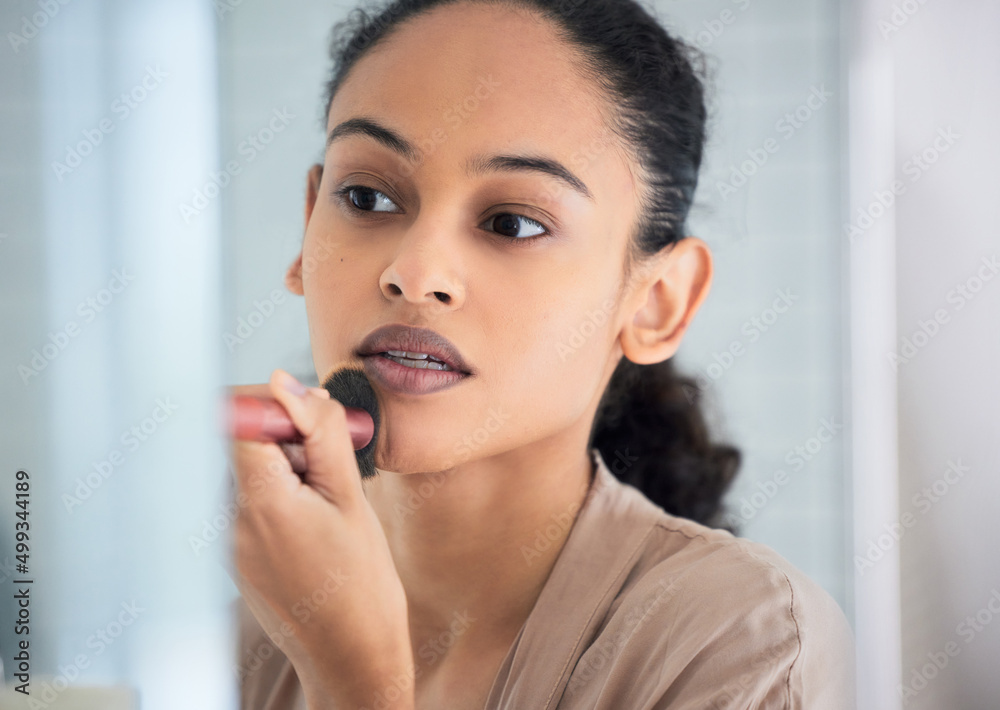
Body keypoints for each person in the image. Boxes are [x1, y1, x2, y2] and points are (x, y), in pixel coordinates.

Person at [228, 0, 857, 708]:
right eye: (368, 197)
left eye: (513, 222)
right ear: (307, 230)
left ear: (657, 303)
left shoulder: (743, 643)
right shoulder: (236, 617)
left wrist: (354, 683)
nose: (415, 271)